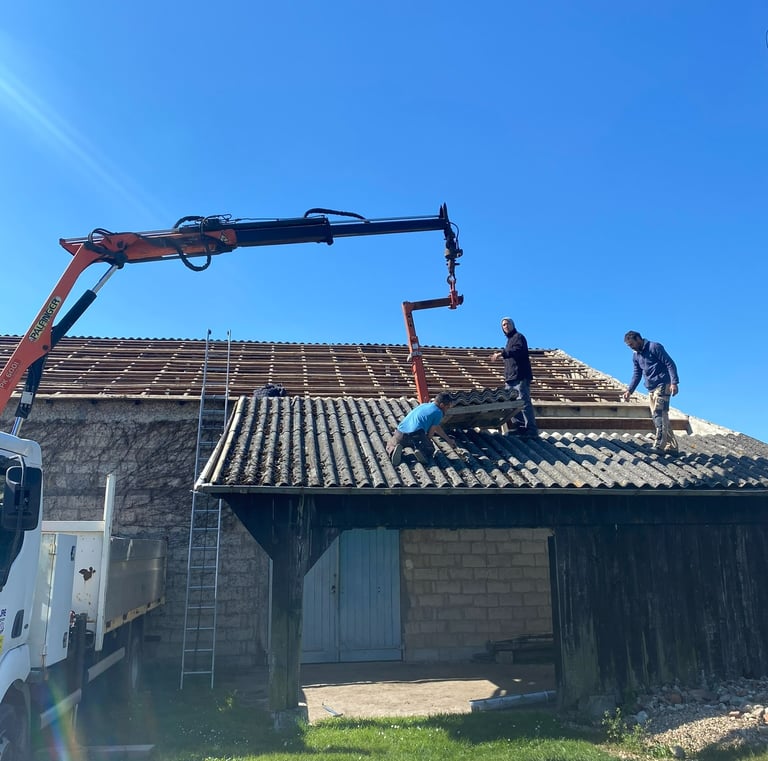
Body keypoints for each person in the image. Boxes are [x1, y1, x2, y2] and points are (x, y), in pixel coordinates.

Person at [621, 330, 679, 453]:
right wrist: (629, 391)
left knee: (659, 414)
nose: (631, 347)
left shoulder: (654, 347)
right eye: (629, 346)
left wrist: (674, 382)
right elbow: (637, 374)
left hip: (663, 384)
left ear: (638, 339)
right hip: (650, 388)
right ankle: (672, 446)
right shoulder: (636, 356)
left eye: (632, 344)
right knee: (660, 417)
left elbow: (670, 363)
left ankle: (659, 446)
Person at [490, 317, 539, 437]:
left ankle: (531, 430)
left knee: (523, 402)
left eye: (507, 324)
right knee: (512, 404)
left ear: (512, 325)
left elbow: (517, 351)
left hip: (520, 376)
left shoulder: (518, 337)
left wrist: (501, 353)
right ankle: (521, 427)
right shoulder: (509, 341)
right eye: (503, 325)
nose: (505, 326)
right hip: (510, 378)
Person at [386, 391, 457, 466]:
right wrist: (427, 442)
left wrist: (448, 439)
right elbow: (430, 434)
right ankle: (421, 451)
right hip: (416, 435)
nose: (447, 409)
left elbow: (436, 427)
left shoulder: (423, 405)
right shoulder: (438, 412)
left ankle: (393, 450)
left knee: (390, 443)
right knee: (430, 448)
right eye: (447, 407)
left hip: (399, 433)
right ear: (442, 405)